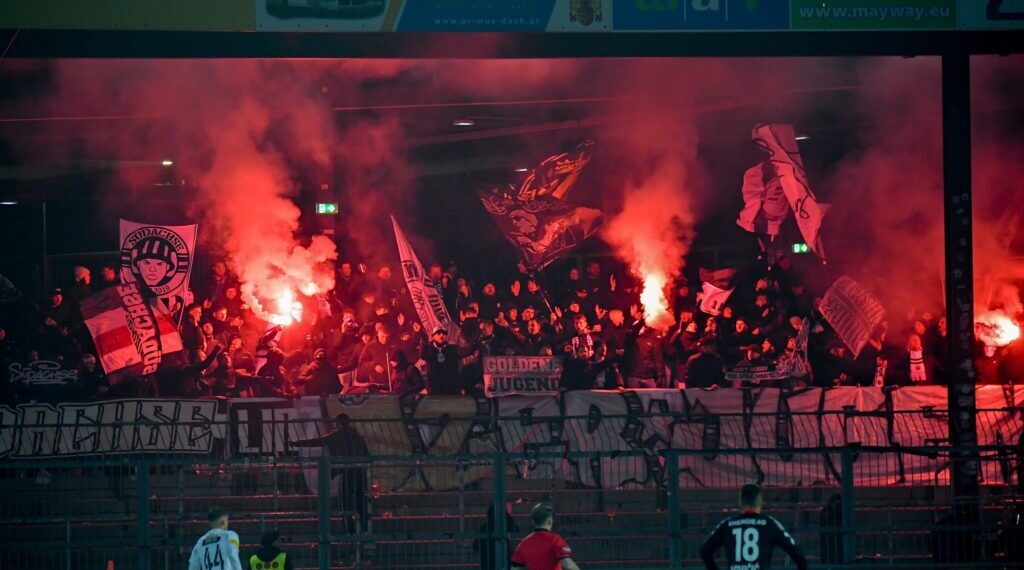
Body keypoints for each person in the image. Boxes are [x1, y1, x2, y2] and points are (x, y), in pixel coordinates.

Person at [699, 483, 807, 570]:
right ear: (761, 502)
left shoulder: (727, 525)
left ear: (740, 502)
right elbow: (799, 555)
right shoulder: (769, 524)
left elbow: (705, 551)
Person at [511, 502, 580, 570]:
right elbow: (568, 565)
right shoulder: (555, 540)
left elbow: (514, 567)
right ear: (550, 521)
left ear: (533, 521)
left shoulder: (524, 543)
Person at [474, 503, 520, 570]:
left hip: (488, 564)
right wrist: (506, 515)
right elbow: (516, 529)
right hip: (503, 562)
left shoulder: (483, 528)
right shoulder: (504, 527)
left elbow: (475, 547)